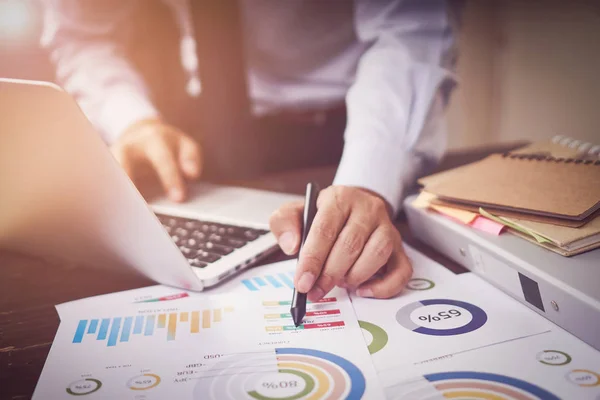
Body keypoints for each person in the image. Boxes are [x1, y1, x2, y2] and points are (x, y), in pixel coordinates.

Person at [41, 0, 457, 301]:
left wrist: (368, 180)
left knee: (346, 246)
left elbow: (411, 29)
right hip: (205, 135)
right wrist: (132, 120)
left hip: (352, 129)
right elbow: (82, 35)